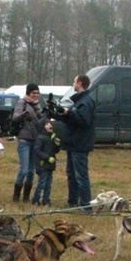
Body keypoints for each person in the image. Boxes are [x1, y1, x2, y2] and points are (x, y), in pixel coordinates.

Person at [58, 74, 96, 208]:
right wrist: (63, 115)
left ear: (80, 83)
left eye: (74, 81)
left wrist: (69, 113)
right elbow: (74, 120)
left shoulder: (86, 101)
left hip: (80, 144)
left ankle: (86, 204)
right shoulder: (79, 101)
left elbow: (84, 121)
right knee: (72, 175)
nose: (73, 84)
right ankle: (72, 201)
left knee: (81, 176)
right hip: (73, 143)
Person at [10, 83, 42, 202]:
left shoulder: (37, 105)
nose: (36, 95)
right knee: (24, 169)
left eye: (37, 93)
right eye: (33, 92)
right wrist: (24, 115)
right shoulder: (21, 102)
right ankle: (16, 195)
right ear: (28, 93)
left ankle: (26, 197)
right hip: (24, 139)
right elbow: (15, 117)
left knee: (31, 170)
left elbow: (41, 119)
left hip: (35, 139)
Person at [32, 119, 62, 206]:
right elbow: (37, 150)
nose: (50, 125)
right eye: (47, 124)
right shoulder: (41, 138)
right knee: (42, 183)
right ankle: (36, 199)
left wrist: (57, 144)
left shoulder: (52, 137)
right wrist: (47, 158)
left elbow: (55, 151)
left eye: (50, 123)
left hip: (50, 166)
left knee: (48, 185)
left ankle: (46, 200)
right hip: (42, 165)